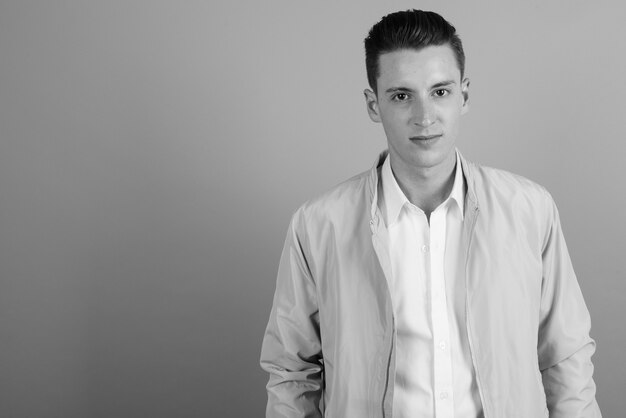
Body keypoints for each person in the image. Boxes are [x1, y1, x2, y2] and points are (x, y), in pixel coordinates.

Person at [260, 9, 601, 418]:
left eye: (440, 91)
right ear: (373, 104)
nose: (424, 117)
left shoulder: (530, 210)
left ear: (465, 95)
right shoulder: (318, 225)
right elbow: (291, 373)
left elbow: (566, 358)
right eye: (402, 96)